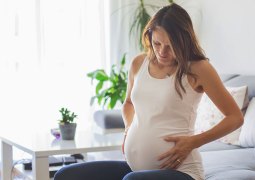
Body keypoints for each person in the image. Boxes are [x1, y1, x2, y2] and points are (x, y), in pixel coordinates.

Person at [54, 3, 243, 180]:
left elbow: (235, 117)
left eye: (170, 46)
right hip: (135, 169)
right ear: (149, 37)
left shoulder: (199, 69)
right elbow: (128, 104)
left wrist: (194, 141)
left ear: (184, 42)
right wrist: (129, 129)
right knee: (66, 175)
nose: (162, 52)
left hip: (182, 171)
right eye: (157, 43)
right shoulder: (139, 63)